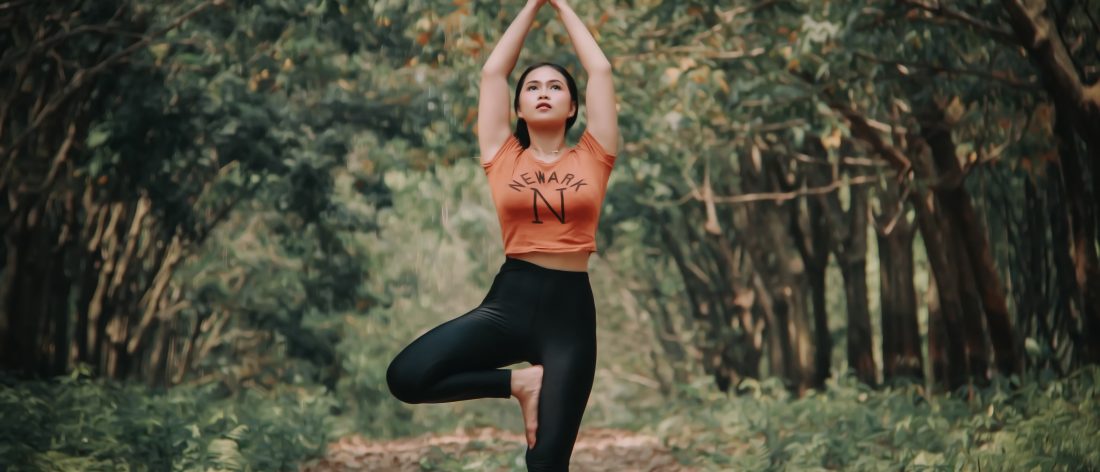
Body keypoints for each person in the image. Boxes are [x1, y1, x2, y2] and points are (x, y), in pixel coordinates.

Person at [385, 0, 619, 470]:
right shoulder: (502, 155)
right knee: (407, 377)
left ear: (574, 106)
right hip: (510, 301)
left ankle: (530, 394)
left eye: (556, 87)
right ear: (518, 106)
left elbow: (601, 69)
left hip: (569, 317)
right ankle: (519, 384)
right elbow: (493, 72)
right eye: (532, 87)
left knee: (547, 463)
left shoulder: (594, 155)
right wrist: (534, 4)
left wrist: (564, 6)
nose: (544, 92)